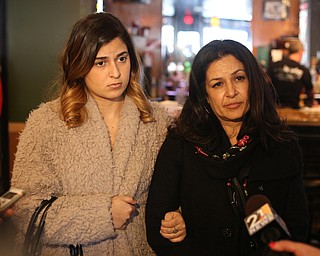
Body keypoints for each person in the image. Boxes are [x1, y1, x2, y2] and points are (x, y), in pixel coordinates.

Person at [10, 12, 186, 255]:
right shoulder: (46, 123)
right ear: (79, 66)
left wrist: (177, 217)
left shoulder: (156, 121)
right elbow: (27, 212)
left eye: (122, 59)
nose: (115, 72)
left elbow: (179, 192)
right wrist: (101, 214)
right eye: (100, 62)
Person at [146, 39, 309, 256]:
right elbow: (158, 229)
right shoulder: (181, 145)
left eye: (239, 78)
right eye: (217, 84)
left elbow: (298, 227)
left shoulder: (281, 144)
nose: (231, 92)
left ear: (252, 82)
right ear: (205, 94)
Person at [267, 38, 314, 109]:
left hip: (274, 109)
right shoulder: (303, 70)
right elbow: (309, 91)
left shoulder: (274, 65)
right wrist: (308, 103)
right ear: (301, 52)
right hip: (293, 109)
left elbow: (265, 84)